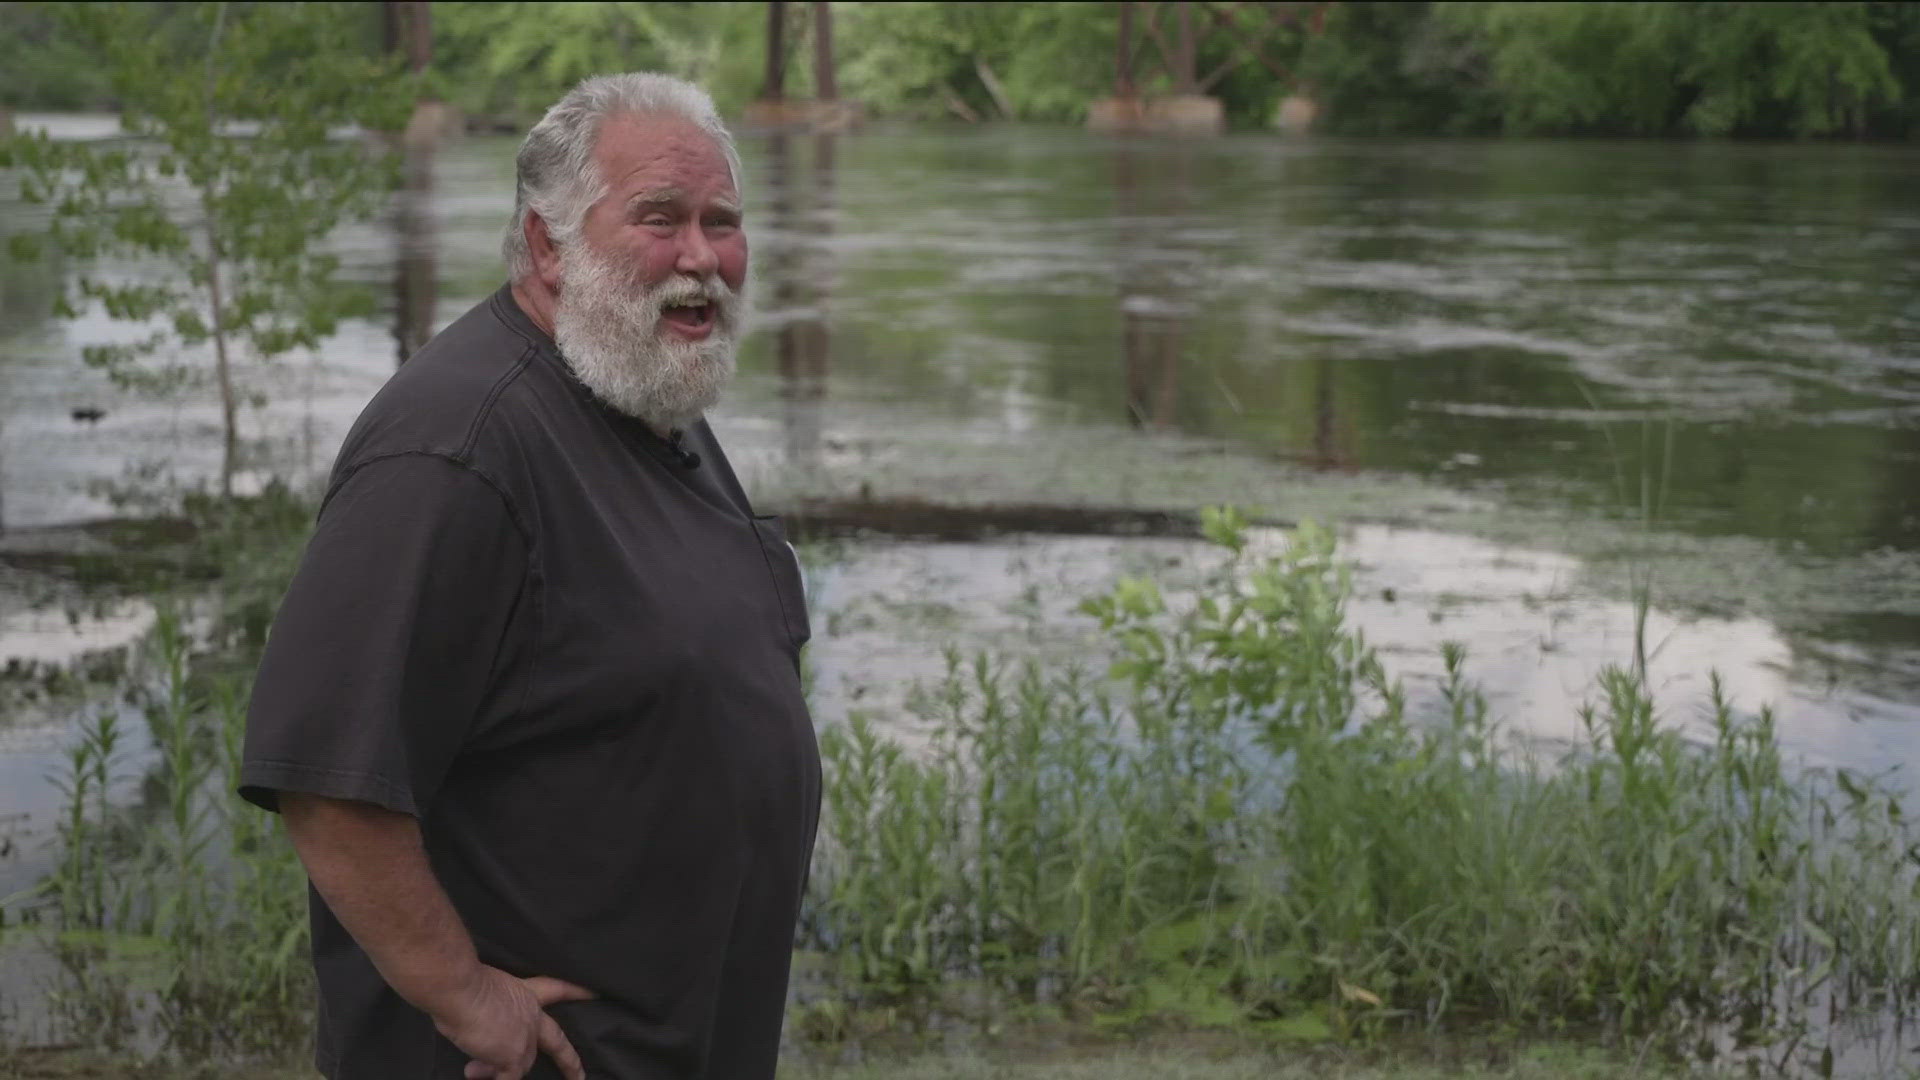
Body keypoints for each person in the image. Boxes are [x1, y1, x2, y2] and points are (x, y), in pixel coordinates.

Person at [240, 73, 821, 1080]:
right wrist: (463, 994)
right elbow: (326, 778)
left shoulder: (642, 394)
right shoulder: (455, 447)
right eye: (659, 218)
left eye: (721, 221)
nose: (701, 257)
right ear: (549, 246)